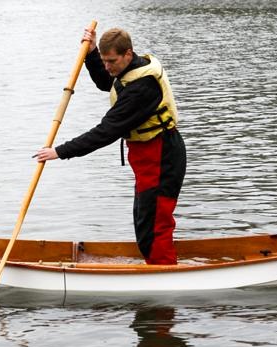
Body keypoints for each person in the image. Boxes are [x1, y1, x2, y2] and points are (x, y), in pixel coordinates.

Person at [36, 27, 186, 265]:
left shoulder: (141, 88)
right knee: (143, 221)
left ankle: (165, 278)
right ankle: (159, 270)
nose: (108, 67)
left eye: (111, 61)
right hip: (146, 157)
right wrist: (91, 52)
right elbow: (106, 82)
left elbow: (106, 132)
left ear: (128, 53)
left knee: (155, 227)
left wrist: (60, 151)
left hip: (161, 156)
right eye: (105, 61)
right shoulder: (129, 69)